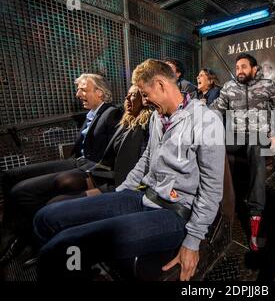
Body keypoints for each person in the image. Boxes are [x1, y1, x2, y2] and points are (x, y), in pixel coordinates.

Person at [33, 59, 225, 281]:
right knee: (46, 217)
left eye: (145, 94)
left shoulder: (207, 121)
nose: (144, 101)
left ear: (161, 85)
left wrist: (193, 241)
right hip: (143, 196)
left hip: (175, 213)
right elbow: (146, 159)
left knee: (64, 247)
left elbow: (212, 188)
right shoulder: (157, 117)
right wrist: (119, 196)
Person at [0, 74, 122, 265]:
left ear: (99, 92)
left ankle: (29, 239)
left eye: (83, 89)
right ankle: (18, 233)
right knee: (9, 175)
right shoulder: (92, 113)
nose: (77, 93)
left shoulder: (112, 113)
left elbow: (113, 157)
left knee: (21, 191)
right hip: (76, 161)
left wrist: (92, 173)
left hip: (87, 166)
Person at [210, 53, 275, 252]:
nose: (239, 71)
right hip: (235, 135)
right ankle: (212, 202)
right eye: (237, 68)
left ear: (254, 68)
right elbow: (216, 110)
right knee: (211, 146)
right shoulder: (229, 87)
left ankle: (255, 215)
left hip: (258, 134)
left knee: (256, 149)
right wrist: (198, 116)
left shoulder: (267, 85)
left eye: (243, 67)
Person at [47, 85, 151, 203]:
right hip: (108, 173)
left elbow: (143, 164)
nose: (127, 98)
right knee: (63, 183)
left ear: (144, 99)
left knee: (58, 199)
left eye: (132, 95)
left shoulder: (147, 125)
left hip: (122, 180)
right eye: (127, 94)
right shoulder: (126, 121)